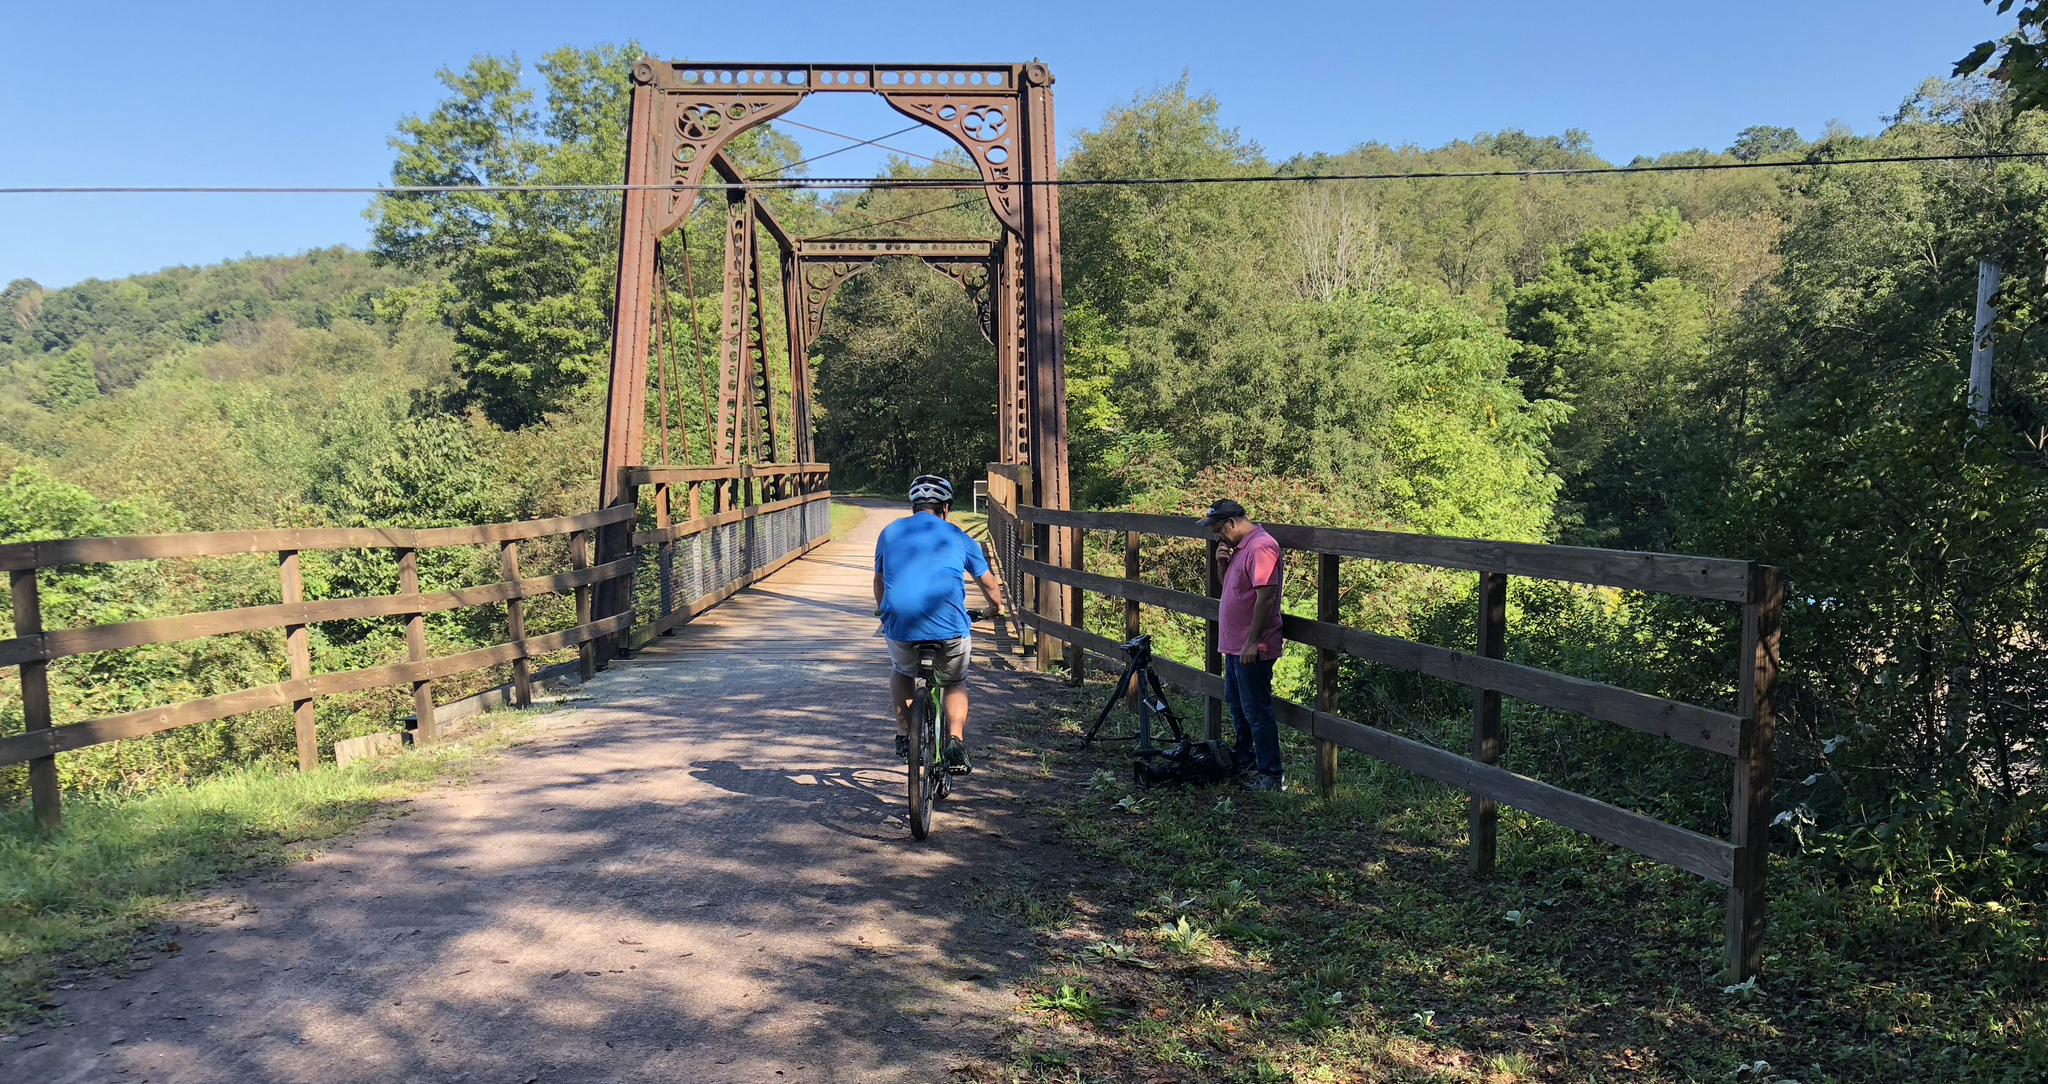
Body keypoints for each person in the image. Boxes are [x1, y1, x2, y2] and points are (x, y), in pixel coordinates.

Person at [874, 474, 1005, 773]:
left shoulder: (889, 532)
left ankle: (906, 734)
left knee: (901, 670)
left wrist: (884, 611)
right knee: (955, 681)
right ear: (946, 508)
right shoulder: (958, 535)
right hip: (949, 628)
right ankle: (956, 741)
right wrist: (994, 609)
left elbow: (879, 581)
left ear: (913, 507)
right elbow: (988, 583)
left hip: (901, 625)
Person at [1200, 498, 1285, 791]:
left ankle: (1272, 774)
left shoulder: (1261, 546)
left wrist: (1253, 641)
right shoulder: (1240, 548)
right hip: (1234, 645)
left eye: (1218, 530)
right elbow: (1232, 588)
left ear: (1233, 523)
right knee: (1238, 707)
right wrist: (1222, 563)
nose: (1217, 536)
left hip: (1251, 647)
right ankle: (1247, 761)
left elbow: (1266, 596)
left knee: (1257, 711)